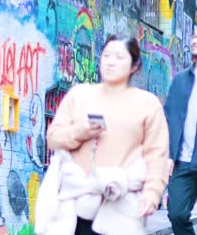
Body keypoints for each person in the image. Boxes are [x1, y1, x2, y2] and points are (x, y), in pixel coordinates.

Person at [35, 34, 169, 235]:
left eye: (119, 57)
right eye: (106, 55)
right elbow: (53, 138)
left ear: (134, 66)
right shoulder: (79, 95)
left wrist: (152, 193)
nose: (111, 62)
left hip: (123, 204)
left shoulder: (148, 104)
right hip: (76, 204)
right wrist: (81, 132)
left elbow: (157, 154)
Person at [165, 34, 197, 235]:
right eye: (194, 36)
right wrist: (168, 155)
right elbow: (169, 119)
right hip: (183, 162)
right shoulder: (180, 81)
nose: (194, 40)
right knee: (176, 214)